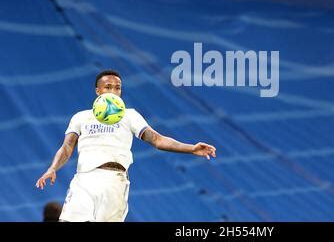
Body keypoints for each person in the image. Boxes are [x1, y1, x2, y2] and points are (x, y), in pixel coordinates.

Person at [35, 69, 216, 222]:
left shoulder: (130, 115)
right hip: (84, 179)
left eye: (117, 88)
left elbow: (158, 140)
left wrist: (191, 148)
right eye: (108, 87)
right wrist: (53, 168)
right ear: (97, 91)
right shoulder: (81, 117)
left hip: (115, 181)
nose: (113, 91)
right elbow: (67, 147)